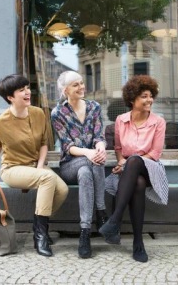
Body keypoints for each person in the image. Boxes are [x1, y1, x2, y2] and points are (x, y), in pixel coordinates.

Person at [0, 74, 69, 257]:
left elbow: (43, 143)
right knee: (47, 178)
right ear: (10, 97)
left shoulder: (38, 113)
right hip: (12, 168)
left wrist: (40, 165)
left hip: (35, 165)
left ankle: (38, 223)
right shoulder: (0, 122)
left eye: (27, 88)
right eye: (21, 90)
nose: (27, 92)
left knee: (62, 190)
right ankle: (41, 235)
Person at [99, 75, 169, 263]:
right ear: (132, 100)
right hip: (130, 172)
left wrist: (126, 163)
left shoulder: (158, 121)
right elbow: (119, 149)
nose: (149, 100)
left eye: (150, 95)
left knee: (135, 162)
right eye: (144, 96)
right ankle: (138, 243)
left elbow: (155, 153)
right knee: (137, 184)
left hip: (151, 168)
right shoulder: (121, 120)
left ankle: (114, 220)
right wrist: (122, 161)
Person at [50, 71, 108, 259]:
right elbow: (68, 146)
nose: (82, 87)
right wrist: (89, 152)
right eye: (76, 85)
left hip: (88, 166)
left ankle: (85, 233)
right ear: (65, 90)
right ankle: (101, 212)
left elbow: (99, 136)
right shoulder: (58, 113)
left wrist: (99, 147)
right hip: (69, 166)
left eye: (82, 83)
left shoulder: (94, 107)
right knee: (88, 162)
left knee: (87, 169)